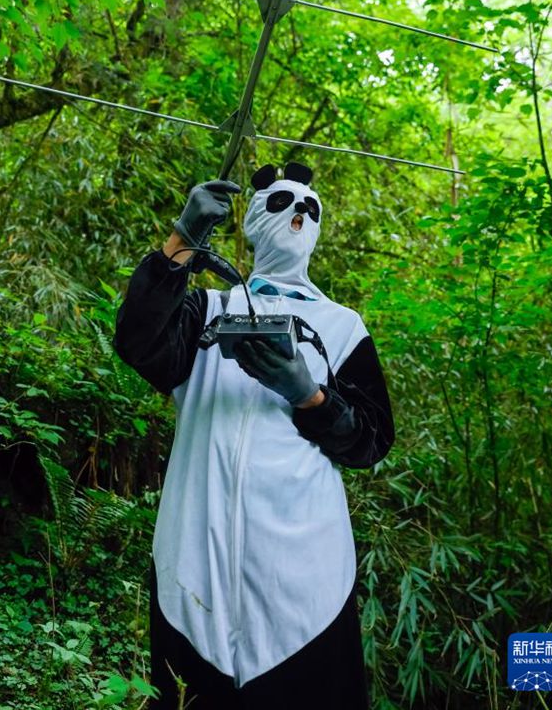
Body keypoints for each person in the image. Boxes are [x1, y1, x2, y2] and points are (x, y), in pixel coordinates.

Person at [113, 162, 395, 709]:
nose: (298, 214)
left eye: (309, 208)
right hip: (198, 553)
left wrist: (310, 395)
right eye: (283, 204)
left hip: (306, 568)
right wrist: (183, 241)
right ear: (251, 220)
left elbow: (372, 440)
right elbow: (137, 341)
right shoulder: (205, 308)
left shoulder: (344, 326)